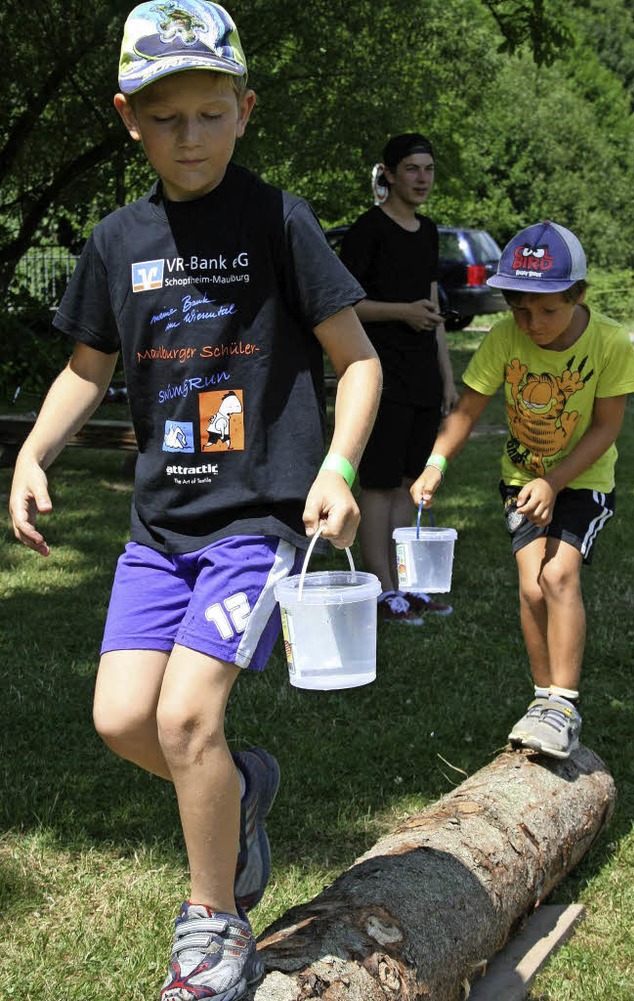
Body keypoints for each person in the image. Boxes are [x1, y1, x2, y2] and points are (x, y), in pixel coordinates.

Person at [8, 3, 382, 999]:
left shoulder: (278, 220)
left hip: (258, 523)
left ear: (244, 110)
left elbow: (358, 361)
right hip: (156, 530)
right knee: (123, 718)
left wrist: (337, 472)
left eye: (210, 113)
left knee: (184, 721)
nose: (190, 137)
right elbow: (88, 368)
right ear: (130, 118)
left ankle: (213, 922)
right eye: (167, 116)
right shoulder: (116, 238)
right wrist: (36, 449)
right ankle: (244, 786)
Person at [410, 219, 634, 758]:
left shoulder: (608, 342)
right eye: (520, 310)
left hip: (583, 481)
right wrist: (436, 463)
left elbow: (607, 428)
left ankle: (564, 703)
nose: (532, 323)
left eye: (548, 310)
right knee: (532, 587)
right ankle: (543, 701)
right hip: (521, 482)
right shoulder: (505, 339)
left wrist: (555, 480)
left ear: (579, 294)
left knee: (559, 575)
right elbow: (467, 408)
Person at [340, 133, 458, 625]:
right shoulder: (367, 231)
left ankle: (404, 586)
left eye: (428, 169)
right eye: (412, 169)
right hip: (378, 376)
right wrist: (400, 313)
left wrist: (447, 377)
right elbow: (345, 306)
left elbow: (431, 307)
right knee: (379, 484)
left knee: (411, 486)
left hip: (423, 377)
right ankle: (382, 590)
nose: (422, 178)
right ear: (388, 174)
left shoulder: (427, 231)